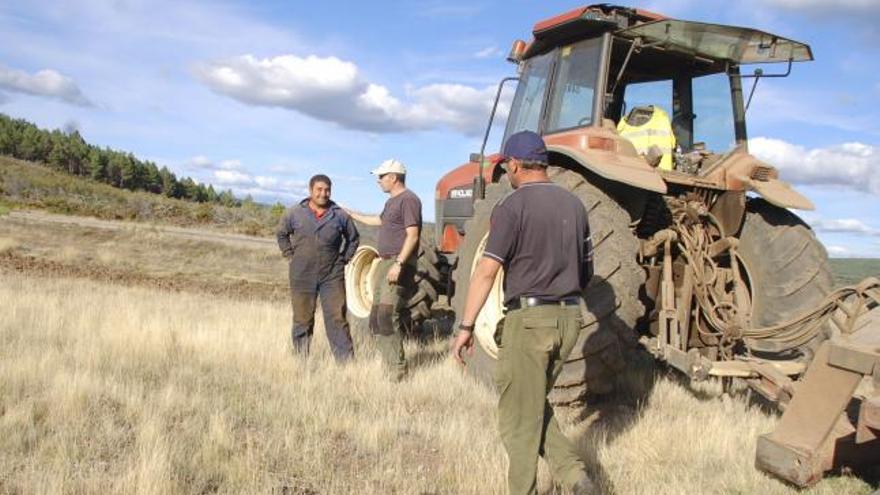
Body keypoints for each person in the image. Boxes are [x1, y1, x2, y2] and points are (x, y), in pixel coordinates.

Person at [451, 131, 596, 495]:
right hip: (570, 320)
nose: (507, 174)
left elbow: (486, 270)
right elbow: (587, 273)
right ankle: (577, 479)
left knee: (518, 419)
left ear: (515, 165)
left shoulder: (512, 207)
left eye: (507, 168)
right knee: (531, 405)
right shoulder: (576, 206)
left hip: (529, 322)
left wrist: (466, 326)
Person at [345, 159, 422, 382]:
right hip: (384, 262)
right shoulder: (391, 202)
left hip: (397, 264)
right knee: (377, 318)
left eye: (381, 176)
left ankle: (398, 370)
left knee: (388, 316)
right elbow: (377, 220)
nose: (378, 181)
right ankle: (389, 365)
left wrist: (399, 264)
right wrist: (350, 213)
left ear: (393, 177)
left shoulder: (409, 200)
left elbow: (413, 235)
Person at [276, 174, 359, 363]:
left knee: (337, 319)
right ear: (310, 190)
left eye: (327, 190)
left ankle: (346, 364)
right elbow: (281, 234)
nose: (323, 193)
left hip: (332, 275)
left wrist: (344, 259)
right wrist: (289, 255)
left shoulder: (340, 215)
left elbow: (353, 239)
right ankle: (301, 361)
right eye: (319, 189)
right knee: (302, 319)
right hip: (301, 274)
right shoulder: (295, 213)